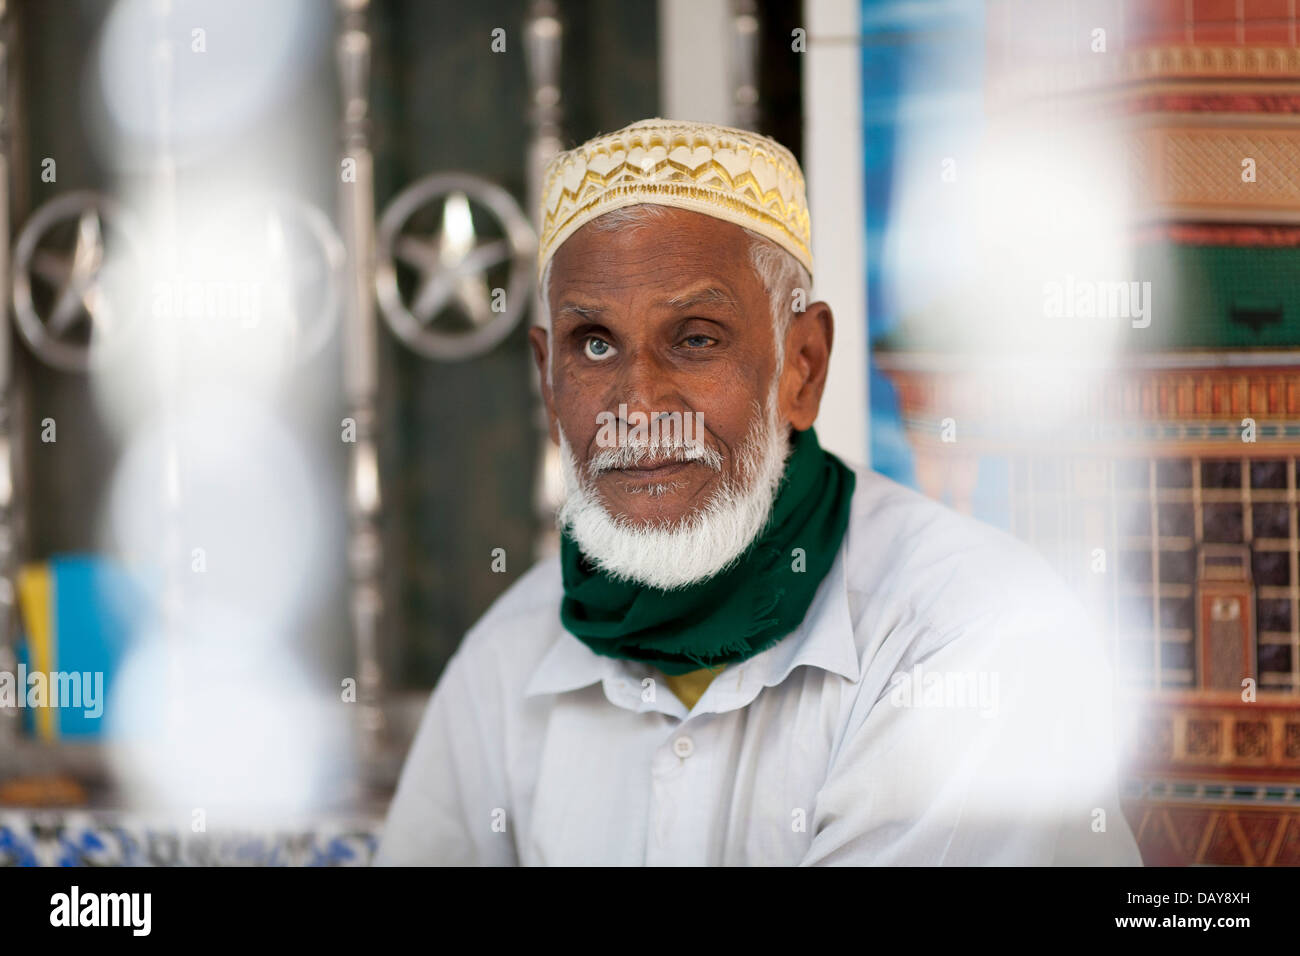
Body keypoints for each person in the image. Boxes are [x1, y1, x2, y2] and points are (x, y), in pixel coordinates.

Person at [376, 118, 1141, 866]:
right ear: (548, 379)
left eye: (697, 338)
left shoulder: (970, 633)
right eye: (596, 345)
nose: (638, 408)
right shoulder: (511, 655)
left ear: (801, 366)